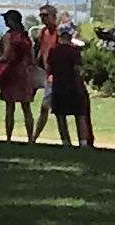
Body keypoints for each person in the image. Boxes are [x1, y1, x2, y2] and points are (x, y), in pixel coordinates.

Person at [40, 9, 94, 148]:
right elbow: (78, 69)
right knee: (79, 115)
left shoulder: (54, 51)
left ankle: (65, 140)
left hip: (58, 86)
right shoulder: (75, 51)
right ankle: (83, 142)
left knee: (60, 115)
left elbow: (49, 68)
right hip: (74, 87)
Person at [0, 9, 41, 140]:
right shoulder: (25, 37)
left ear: (11, 21)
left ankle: (9, 137)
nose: (5, 22)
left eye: (7, 19)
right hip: (24, 72)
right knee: (26, 107)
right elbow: (32, 59)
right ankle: (30, 138)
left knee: (10, 107)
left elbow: (6, 55)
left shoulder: (8, 36)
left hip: (11, 72)